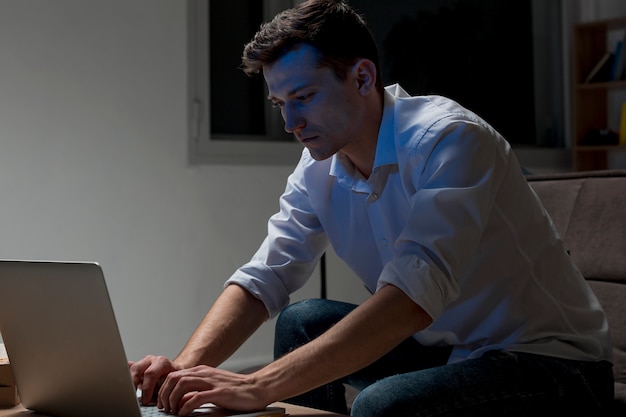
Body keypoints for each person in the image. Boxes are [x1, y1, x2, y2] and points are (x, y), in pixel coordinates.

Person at [130, 1, 614, 416]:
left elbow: (410, 300)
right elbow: (265, 277)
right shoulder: (318, 166)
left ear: (362, 77)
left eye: (304, 98)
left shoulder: (451, 140)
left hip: (554, 365)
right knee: (302, 321)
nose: (291, 122)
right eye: (280, 104)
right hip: (450, 352)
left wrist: (258, 384)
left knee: (383, 405)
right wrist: (179, 374)